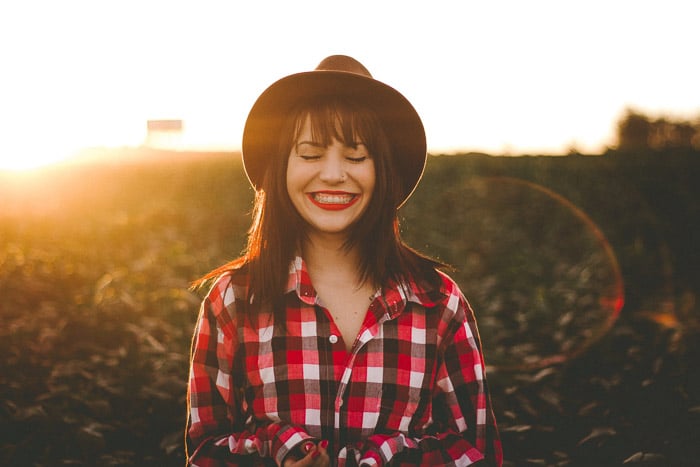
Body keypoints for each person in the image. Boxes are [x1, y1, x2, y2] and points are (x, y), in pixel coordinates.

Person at [186, 55, 502, 467]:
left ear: (383, 170)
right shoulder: (233, 300)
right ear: (281, 167)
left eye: (356, 157)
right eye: (311, 154)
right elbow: (206, 450)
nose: (334, 175)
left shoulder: (439, 303)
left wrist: (382, 458)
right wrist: (278, 449)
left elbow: (476, 453)